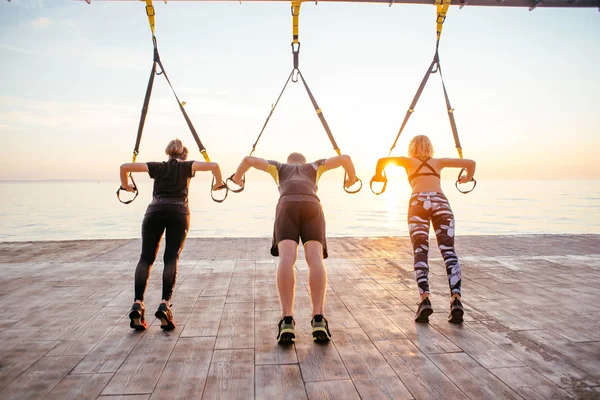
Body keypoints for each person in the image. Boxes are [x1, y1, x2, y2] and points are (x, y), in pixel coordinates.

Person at [231, 152, 358, 343]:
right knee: (314, 258)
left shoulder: (279, 167)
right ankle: (318, 318)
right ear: (303, 162)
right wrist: (351, 179)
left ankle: (287, 319)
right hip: (311, 205)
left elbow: (248, 160)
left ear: (289, 161)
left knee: (287, 258)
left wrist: (237, 178)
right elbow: (345, 159)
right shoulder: (315, 167)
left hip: (287, 206)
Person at [120, 138, 223, 331]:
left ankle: (137, 304)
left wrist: (126, 186)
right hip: (178, 213)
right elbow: (215, 165)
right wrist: (217, 184)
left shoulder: (157, 167)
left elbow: (124, 167)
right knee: (171, 258)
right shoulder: (187, 166)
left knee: (146, 258)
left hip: (154, 212)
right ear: (184, 155)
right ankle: (164, 304)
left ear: (168, 153)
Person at [372, 135, 475, 323]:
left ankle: (424, 299)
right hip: (440, 202)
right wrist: (466, 178)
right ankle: (456, 300)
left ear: (411, 148)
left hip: (418, 202)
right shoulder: (438, 162)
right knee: (449, 252)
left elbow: (382, 161)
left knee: (420, 251)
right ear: (430, 147)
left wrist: (379, 175)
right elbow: (470, 162)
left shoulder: (407, 161)